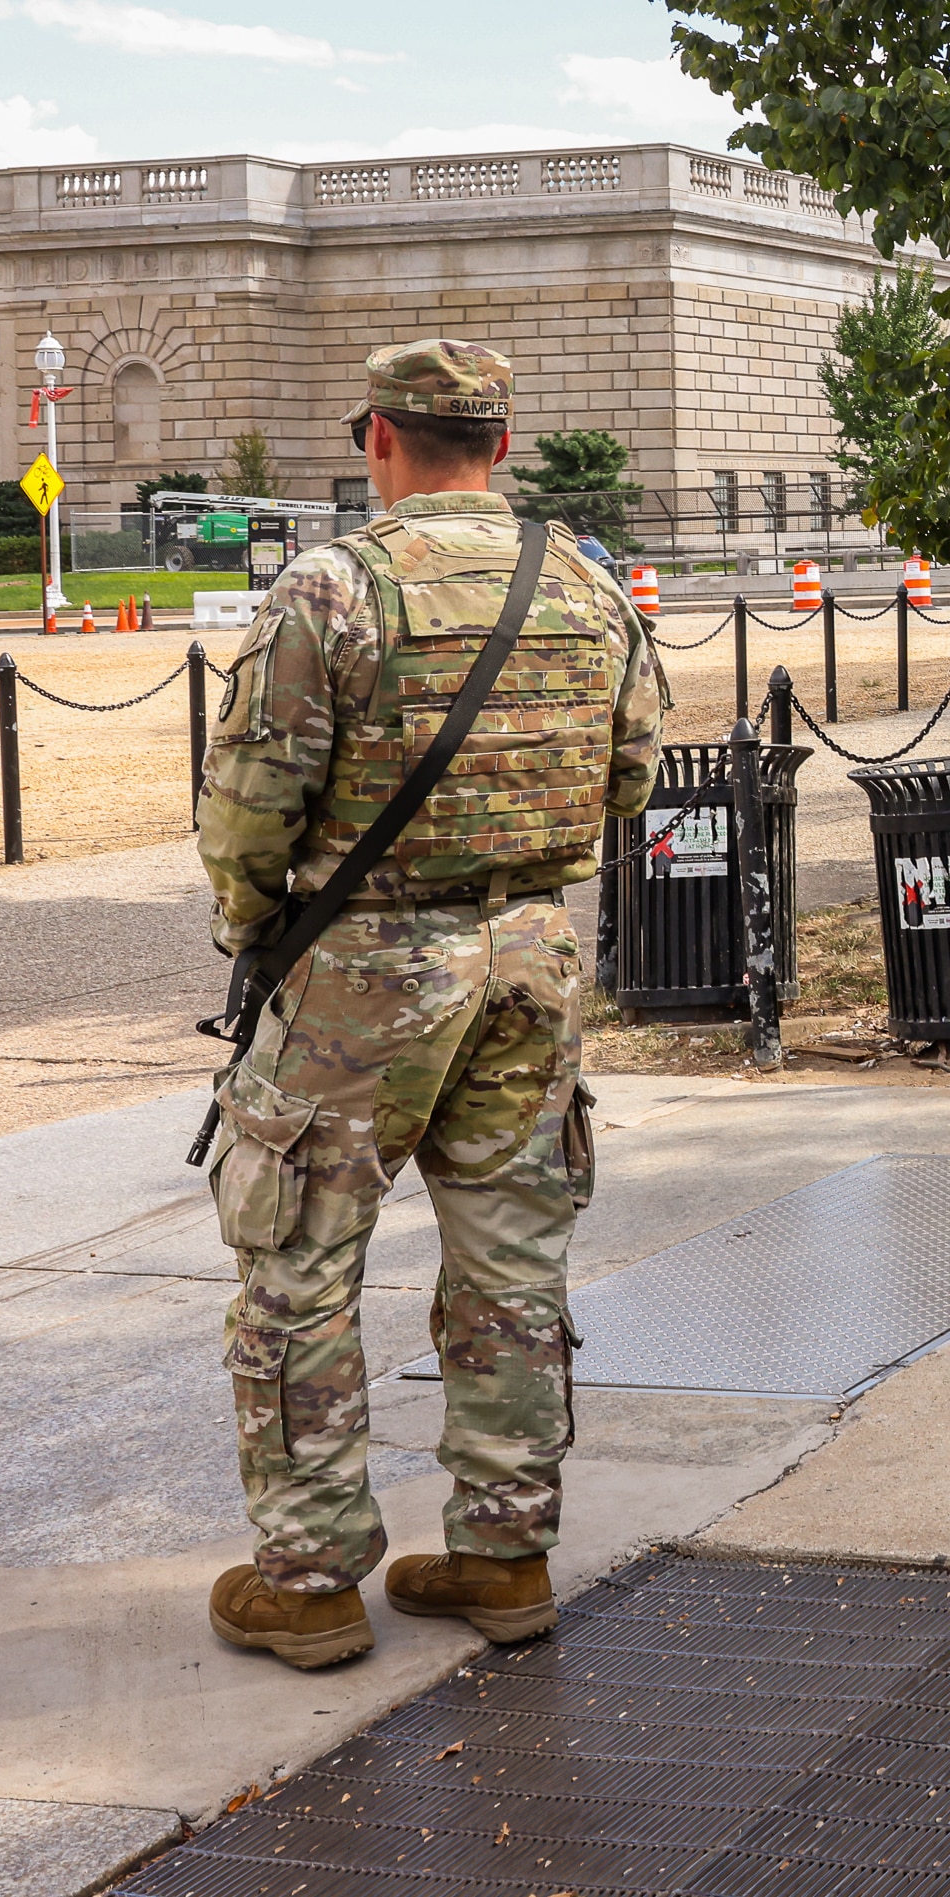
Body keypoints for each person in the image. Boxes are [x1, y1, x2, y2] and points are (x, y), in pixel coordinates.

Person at [198, 339, 667, 1672]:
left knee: (296, 1263)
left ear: (377, 440)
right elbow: (630, 779)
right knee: (513, 1256)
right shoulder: (586, 583)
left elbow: (248, 811)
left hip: (364, 970)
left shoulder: (333, 589)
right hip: (530, 959)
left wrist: (256, 929)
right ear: (503, 447)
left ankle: (308, 1577)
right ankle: (506, 1553)